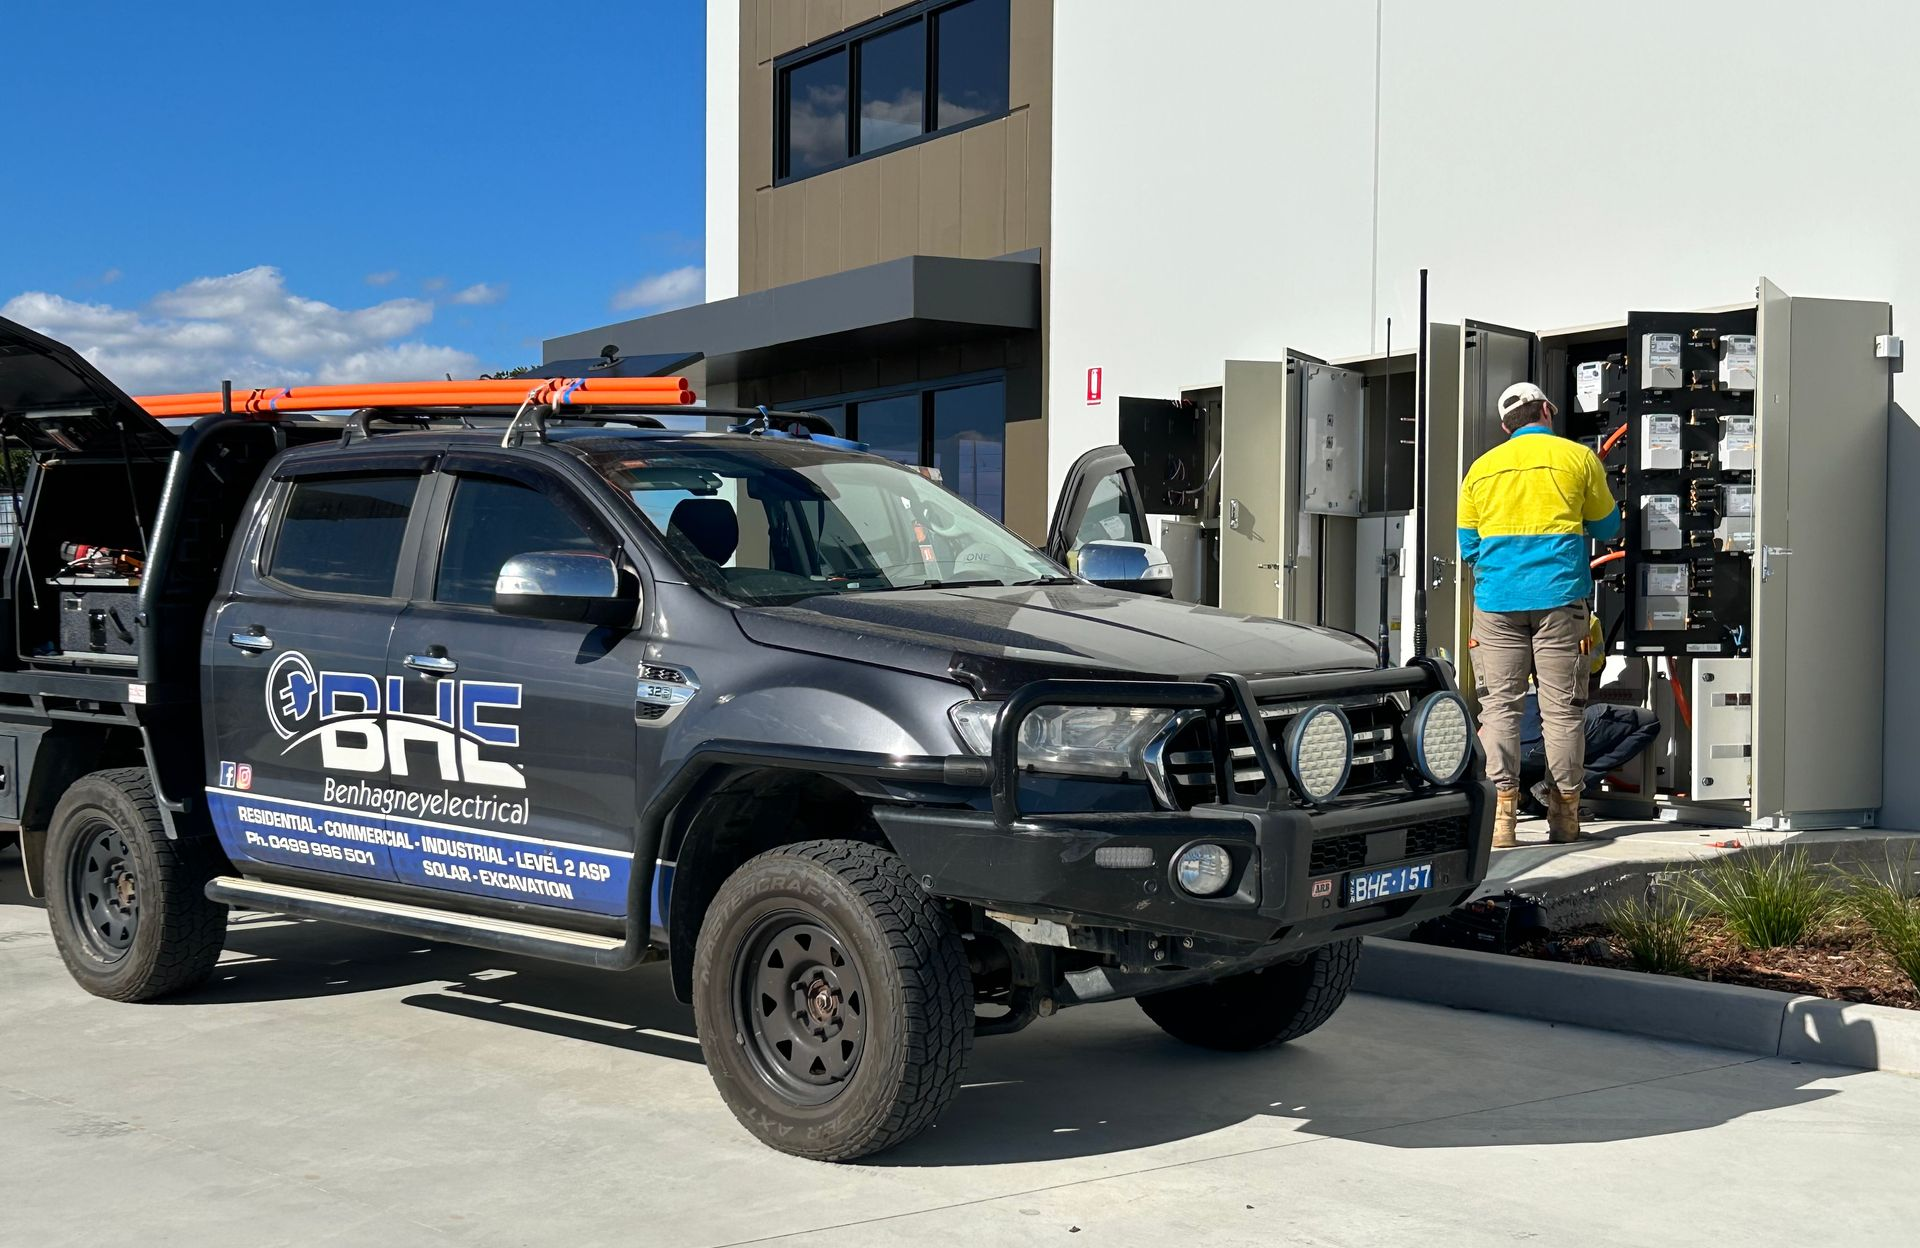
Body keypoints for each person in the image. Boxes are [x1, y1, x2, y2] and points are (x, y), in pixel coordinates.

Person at [1458, 382, 1620, 847]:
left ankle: (1502, 824)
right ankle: (1565, 820)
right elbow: (1610, 527)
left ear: (1505, 426)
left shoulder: (1481, 469)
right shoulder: (1577, 458)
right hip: (1560, 601)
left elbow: (1468, 545)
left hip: (1496, 605)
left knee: (1499, 710)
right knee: (1563, 711)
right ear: (1547, 410)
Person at [1517, 696, 1662, 816]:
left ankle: (1523, 797)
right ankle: (1561, 790)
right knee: (1648, 722)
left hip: (1507, 744)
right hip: (1542, 733)